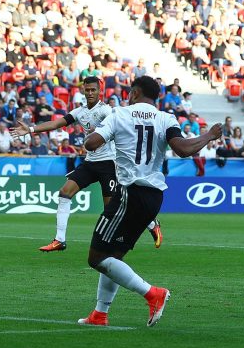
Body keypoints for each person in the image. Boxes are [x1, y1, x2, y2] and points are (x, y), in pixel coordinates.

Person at [79, 76, 222, 327]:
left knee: (96, 258)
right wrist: (209, 135)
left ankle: (152, 293)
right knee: (114, 255)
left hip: (128, 193)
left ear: (134, 92)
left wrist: (96, 133)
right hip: (153, 197)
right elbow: (184, 149)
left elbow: (91, 144)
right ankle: (100, 314)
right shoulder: (165, 118)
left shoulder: (119, 114)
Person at [10, 76, 162, 252]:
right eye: (87, 90)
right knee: (64, 192)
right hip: (90, 162)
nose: (90, 93)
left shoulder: (107, 111)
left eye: (93, 90)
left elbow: (122, 125)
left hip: (108, 165)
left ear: (100, 91)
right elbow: (56, 123)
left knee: (111, 209)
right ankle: (59, 240)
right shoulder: (79, 112)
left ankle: (151, 223)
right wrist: (29, 129)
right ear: (82, 90)